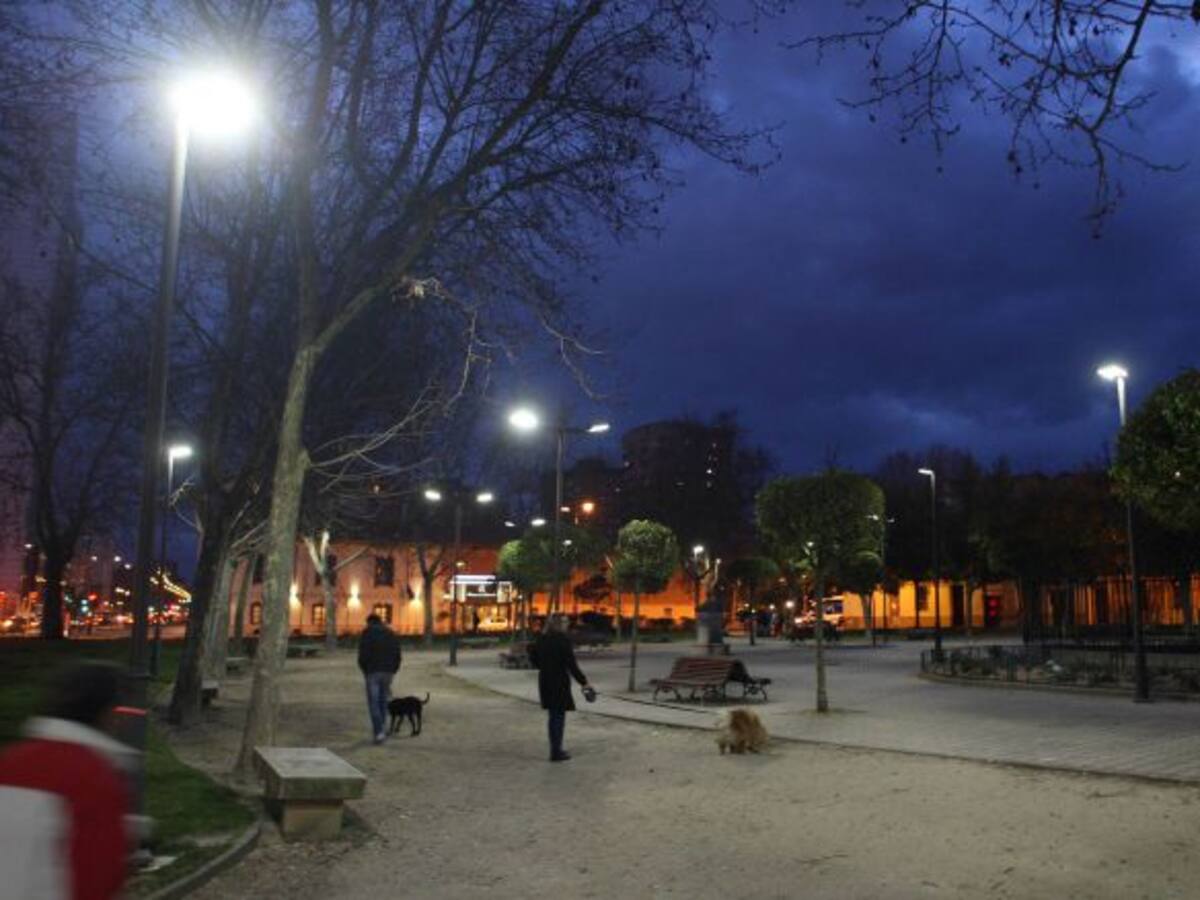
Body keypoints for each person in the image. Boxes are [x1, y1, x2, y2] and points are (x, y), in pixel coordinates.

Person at [0, 661, 137, 900]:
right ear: (104, 711)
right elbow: (98, 877)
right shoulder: (94, 775)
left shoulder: (9, 760)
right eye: (121, 711)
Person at [528, 614, 590, 762]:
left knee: (553, 716)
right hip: (559, 681)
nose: (567, 624)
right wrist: (584, 682)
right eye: (565, 621)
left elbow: (534, 660)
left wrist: (544, 665)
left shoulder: (541, 639)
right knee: (558, 716)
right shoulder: (563, 640)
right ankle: (556, 752)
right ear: (558, 624)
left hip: (545, 681)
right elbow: (571, 665)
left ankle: (555, 749)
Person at [357, 612, 401, 744]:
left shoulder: (367, 633)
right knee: (383, 700)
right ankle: (382, 725)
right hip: (388, 671)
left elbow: (362, 654)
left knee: (374, 702)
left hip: (372, 671)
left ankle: (379, 731)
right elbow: (397, 653)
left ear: (369, 622)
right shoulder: (391, 633)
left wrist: (365, 669)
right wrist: (393, 669)